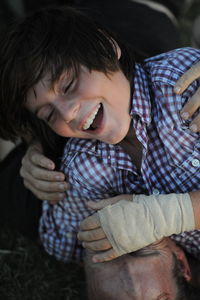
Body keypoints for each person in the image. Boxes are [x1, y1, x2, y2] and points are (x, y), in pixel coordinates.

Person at [0, 5, 200, 299]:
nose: (67, 113)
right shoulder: (183, 86)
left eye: (68, 86)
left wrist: (39, 145)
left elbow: (68, 236)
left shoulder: (82, 165)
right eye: (50, 115)